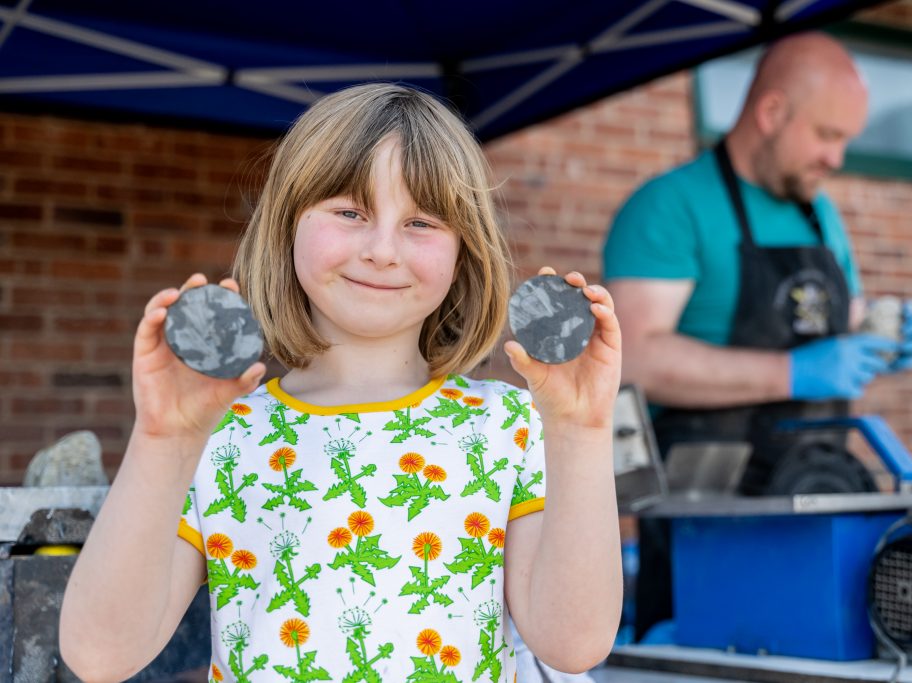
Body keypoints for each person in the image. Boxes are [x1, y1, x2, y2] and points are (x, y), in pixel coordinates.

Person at [60, 83, 623, 682]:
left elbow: (575, 644)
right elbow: (99, 656)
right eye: (350, 212)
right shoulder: (220, 435)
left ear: (465, 251)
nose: (382, 250)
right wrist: (163, 439)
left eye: (421, 222)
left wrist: (582, 429)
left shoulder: (508, 425)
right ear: (288, 225)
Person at [602, 33, 912, 641]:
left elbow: (836, 317)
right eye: (828, 136)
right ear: (772, 112)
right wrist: (792, 373)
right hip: (705, 510)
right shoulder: (669, 207)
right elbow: (633, 357)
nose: (838, 157)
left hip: (816, 496)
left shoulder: (818, 211)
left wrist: (885, 334)